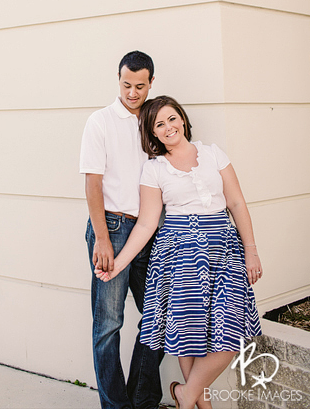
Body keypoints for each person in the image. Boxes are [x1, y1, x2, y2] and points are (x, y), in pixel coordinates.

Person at [95, 96, 262, 409]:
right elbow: (146, 224)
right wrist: (117, 265)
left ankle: (187, 394)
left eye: (172, 118)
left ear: (182, 119)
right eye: (159, 124)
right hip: (178, 252)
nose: (168, 127)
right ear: (153, 134)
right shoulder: (154, 170)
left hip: (223, 247)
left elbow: (237, 203)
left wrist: (251, 251)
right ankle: (201, 405)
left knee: (231, 332)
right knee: (189, 334)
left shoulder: (213, 154)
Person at [80, 50, 163, 409]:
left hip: (149, 232)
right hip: (111, 228)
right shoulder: (100, 121)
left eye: (140, 86)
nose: (132, 92)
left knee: (159, 316)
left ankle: (141, 399)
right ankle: (115, 406)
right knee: (109, 326)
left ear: (151, 82)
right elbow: (92, 183)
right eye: (126, 85)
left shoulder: (155, 120)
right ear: (118, 79)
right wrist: (101, 237)